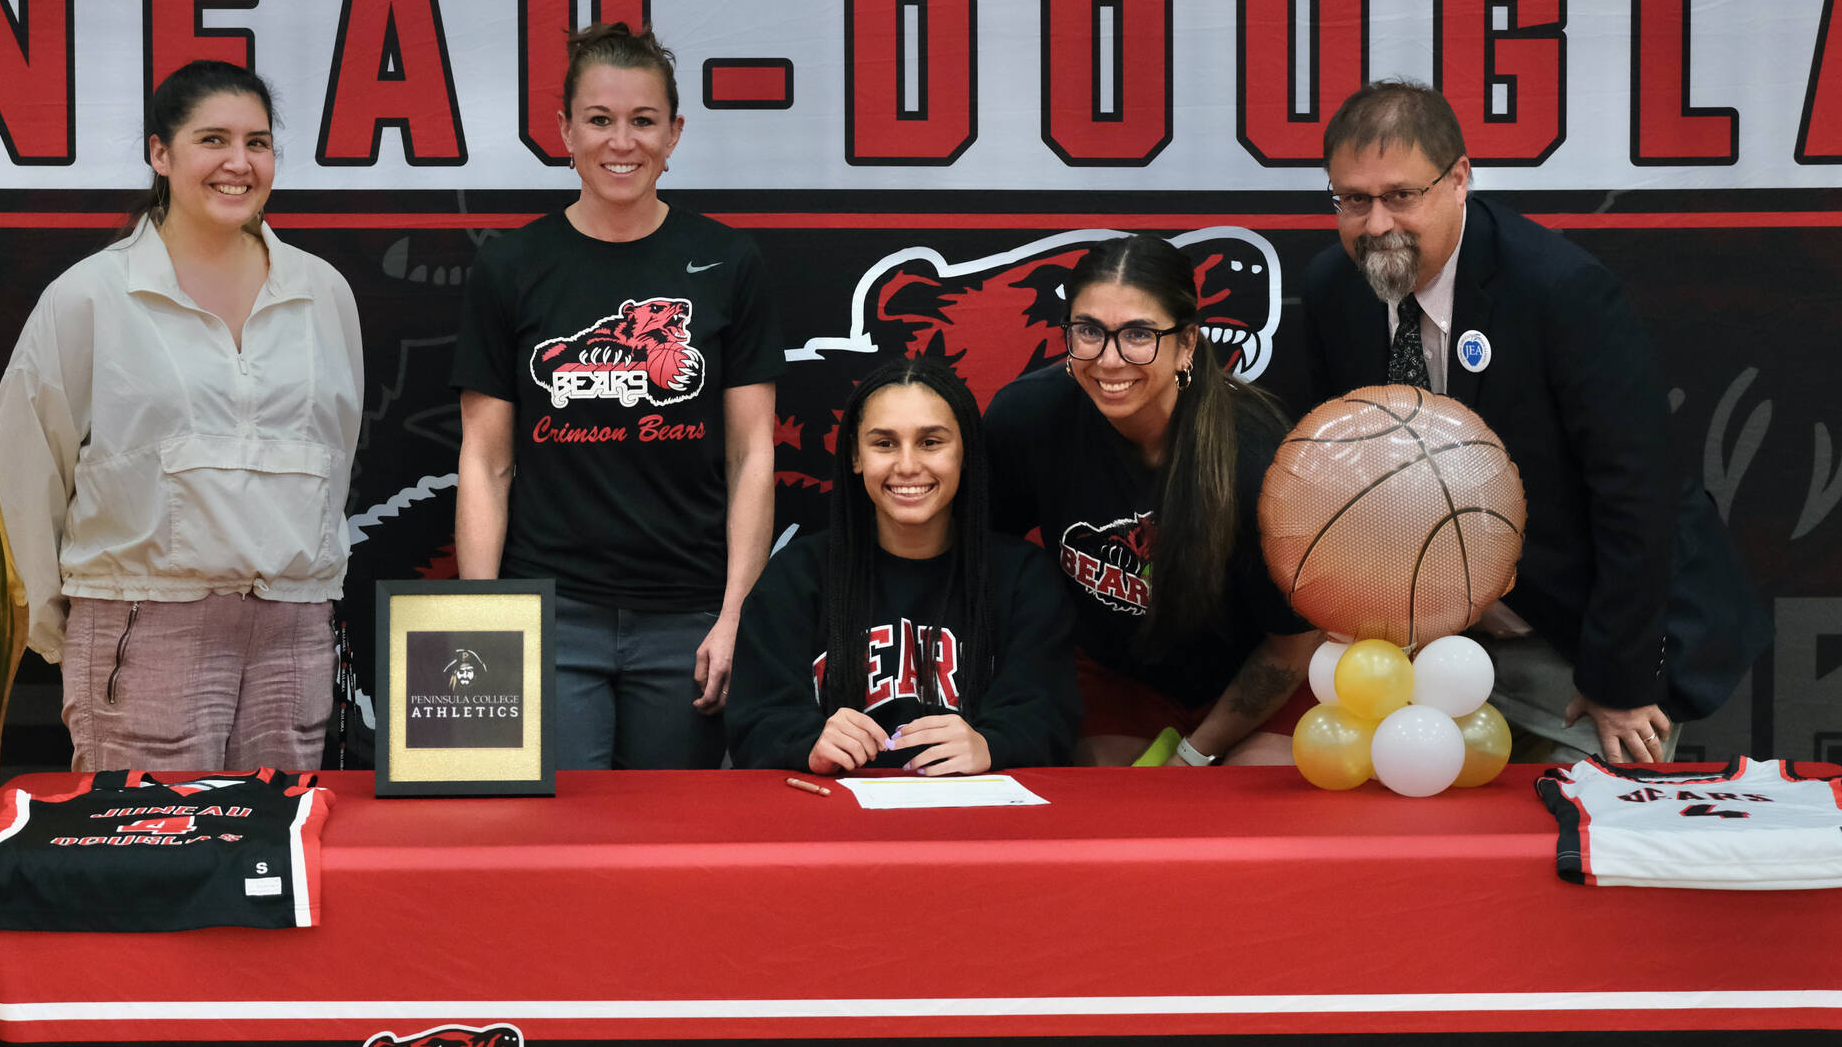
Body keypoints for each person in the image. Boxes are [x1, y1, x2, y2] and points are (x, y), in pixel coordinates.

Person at [1299, 80, 1768, 764]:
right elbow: (1339, 471)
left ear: (1459, 178)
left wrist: (1620, 678)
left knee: (1576, 841)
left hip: (1587, 632)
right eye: (1352, 199)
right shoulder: (1332, 289)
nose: (1375, 225)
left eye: (1401, 195)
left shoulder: (1559, 290)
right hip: (1439, 645)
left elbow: (1638, 495)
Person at [0, 60, 364, 772]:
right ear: (160, 153)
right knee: (148, 863)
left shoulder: (324, 292)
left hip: (293, 631)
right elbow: (27, 468)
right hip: (143, 622)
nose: (239, 163)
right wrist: (58, 628)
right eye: (213, 140)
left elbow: (334, 454)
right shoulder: (91, 297)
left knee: (275, 862)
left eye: (258, 143)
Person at [452, 22, 782, 769]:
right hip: (551, 616)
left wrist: (737, 613)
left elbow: (752, 452)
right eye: (599, 120)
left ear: (675, 133)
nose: (621, 142)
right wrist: (485, 619)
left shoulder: (729, 262)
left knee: (672, 857)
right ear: (564, 130)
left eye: (643, 121)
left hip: (688, 619)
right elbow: (485, 461)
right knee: (553, 852)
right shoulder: (513, 267)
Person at [984, 236, 1318, 767]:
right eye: (1089, 331)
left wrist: (1193, 755)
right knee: (1112, 816)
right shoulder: (1027, 416)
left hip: (1254, 679)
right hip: (1113, 677)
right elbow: (986, 561)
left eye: (1138, 335)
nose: (1109, 360)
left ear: (1187, 343)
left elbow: (1289, 648)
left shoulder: (1259, 457)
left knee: (1252, 816)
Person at [728, 357, 1077, 774]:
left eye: (931, 442)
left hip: (978, 820)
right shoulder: (798, 575)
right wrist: (808, 743)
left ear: (964, 452)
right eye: (884, 443)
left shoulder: (1022, 577)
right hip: (833, 818)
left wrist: (991, 744)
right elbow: (756, 716)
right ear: (856, 456)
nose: (908, 465)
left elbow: (1049, 713)